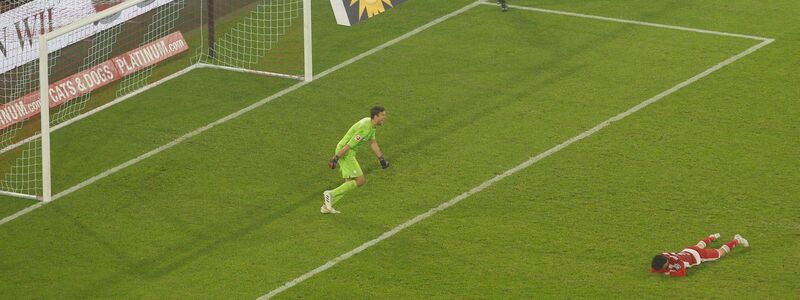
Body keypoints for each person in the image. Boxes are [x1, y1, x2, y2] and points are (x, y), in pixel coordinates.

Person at [322, 106, 389, 214]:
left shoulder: (370, 124)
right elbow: (349, 145)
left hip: (348, 152)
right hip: (346, 153)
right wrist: (336, 158)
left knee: (348, 184)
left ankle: (326, 206)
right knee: (360, 180)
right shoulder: (365, 129)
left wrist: (381, 158)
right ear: (375, 116)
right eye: (382, 115)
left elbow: (372, 142)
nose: (384, 118)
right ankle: (330, 194)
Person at [651, 233, 749, 277]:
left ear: (666, 262)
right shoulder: (663, 255)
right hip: (688, 250)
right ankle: (711, 237)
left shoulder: (678, 262)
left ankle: (737, 239)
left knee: (720, 253)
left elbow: (682, 273)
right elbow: (655, 268)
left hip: (698, 256)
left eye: (664, 267)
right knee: (698, 246)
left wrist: (669, 273)